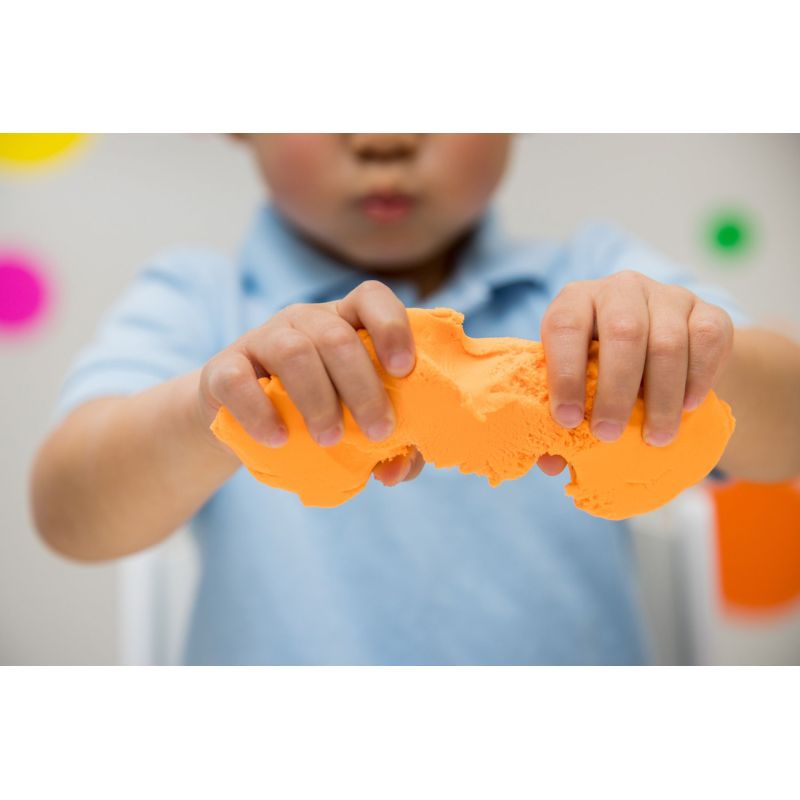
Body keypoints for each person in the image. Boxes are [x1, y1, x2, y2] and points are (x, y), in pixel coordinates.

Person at [30, 134, 800, 664]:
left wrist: (685, 357)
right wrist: (215, 404)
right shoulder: (202, 300)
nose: (383, 138)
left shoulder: (596, 274)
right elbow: (69, 514)